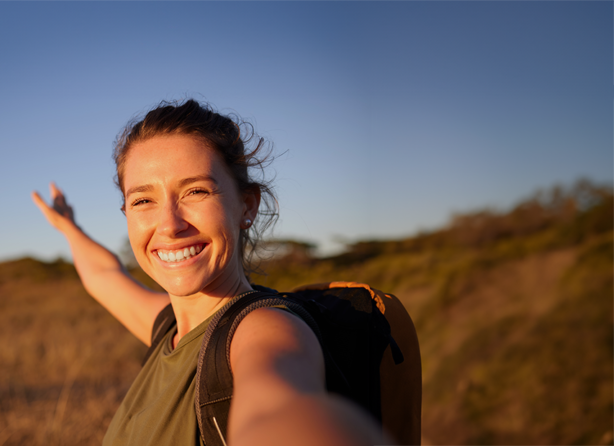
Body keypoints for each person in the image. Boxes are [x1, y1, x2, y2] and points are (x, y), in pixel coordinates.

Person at [31, 99, 390, 446]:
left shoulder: (262, 330)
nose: (169, 225)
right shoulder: (169, 328)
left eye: (196, 191)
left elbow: (278, 409)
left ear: (246, 205)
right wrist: (68, 228)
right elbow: (104, 277)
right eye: (143, 200)